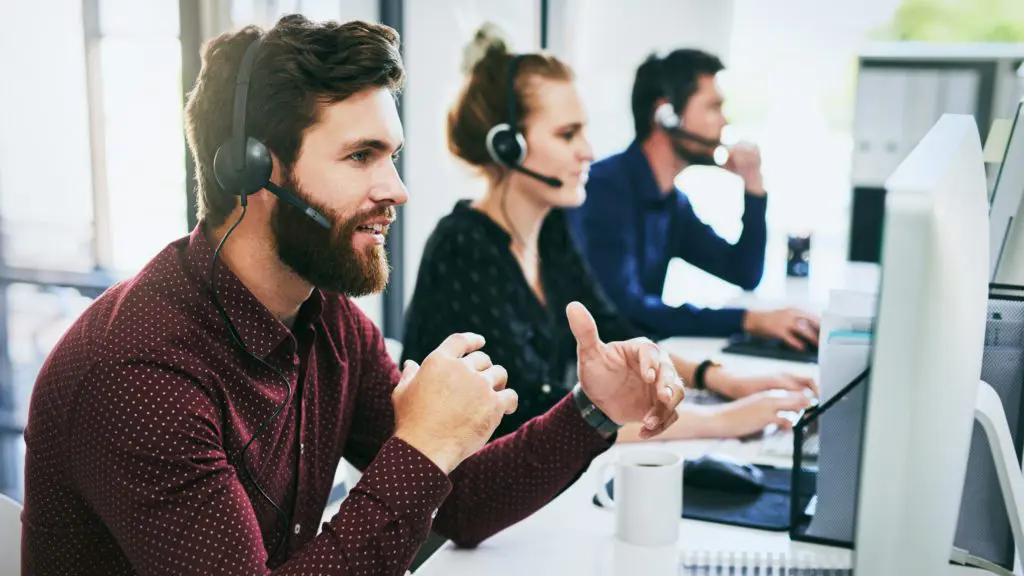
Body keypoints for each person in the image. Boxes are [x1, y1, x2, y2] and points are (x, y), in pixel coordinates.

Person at [21, 17, 688, 575]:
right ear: (253, 169)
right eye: (361, 156)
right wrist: (423, 445)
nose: (397, 189)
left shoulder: (325, 317)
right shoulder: (138, 375)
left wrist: (593, 412)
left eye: (391, 156)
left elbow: (460, 504)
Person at [401, 26, 815, 446]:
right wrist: (723, 420)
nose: (589, 151)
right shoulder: (465, 249)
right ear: (508, 147)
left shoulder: (551, 231)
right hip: (466, 498)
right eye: (567, 134)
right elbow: (531, 419)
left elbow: (615, 332)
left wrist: (718, 380)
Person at [565, 49, 820, 351]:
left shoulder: (671, 204)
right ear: (666, 115)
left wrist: (753, 187)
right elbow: (625, 308)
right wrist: (747, 320)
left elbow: (744, 272)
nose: (723, 121)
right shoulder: (605, 190)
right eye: (713, 107)